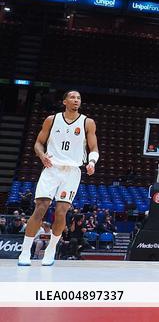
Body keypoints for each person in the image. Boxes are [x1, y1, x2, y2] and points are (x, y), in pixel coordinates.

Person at [18, 90, 99, 267]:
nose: (76, 100)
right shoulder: (51, 120)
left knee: (61, 211)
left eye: (78, 98)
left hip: (72, 171)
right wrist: (42, 156)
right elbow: (38, 143)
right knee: (40, 208)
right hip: (51, 168)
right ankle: (25, 251)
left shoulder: (88, 122)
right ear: (64, 101)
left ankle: (51, 249)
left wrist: (92, 162)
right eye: (72, 97)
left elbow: (93, 148)